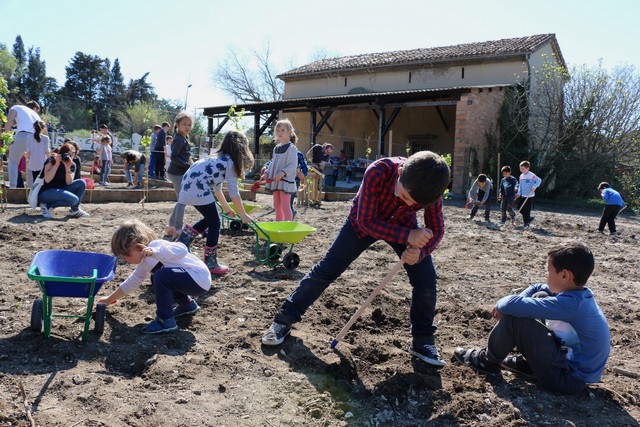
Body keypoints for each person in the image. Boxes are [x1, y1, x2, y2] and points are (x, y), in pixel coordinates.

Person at [261, 151, 451, 367]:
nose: (406, 202)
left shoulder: (430, 192)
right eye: (405, 196)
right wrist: (409, 236)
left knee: (426, 279)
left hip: (402, 224)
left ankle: (423, 340)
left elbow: (437, 230)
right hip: (363, 221)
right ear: (399, 173)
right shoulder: (378, 172)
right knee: (327, 269)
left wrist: (420, 252)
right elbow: (366, 223)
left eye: (414, 204)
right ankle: (284, 319)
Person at [453, 242, 610, 395]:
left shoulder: (571, 305)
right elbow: (538, 287)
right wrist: (519, 301)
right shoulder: (579, 295)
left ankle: (487, 361)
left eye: (549, 270)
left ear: (564, 275)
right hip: (569, 368)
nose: (546, 274)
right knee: (540, 296)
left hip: (567, 379)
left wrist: (502, 307)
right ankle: (530, 364)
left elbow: (510, 304)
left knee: (515, 318)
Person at [96, 219, 212, 334]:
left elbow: (182, 248)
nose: (125, 259)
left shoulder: (156, 245)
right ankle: (187, 305)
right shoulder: (144, 264)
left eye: (125, 254)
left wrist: (155, 251)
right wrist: (109, 299)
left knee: (161, 275)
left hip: (198, 277)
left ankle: (165, 320)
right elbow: (131, 283)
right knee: (157, 277)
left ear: (136, 245)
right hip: (191, 281)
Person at [176, 130, 254, 275]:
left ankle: (183, 243)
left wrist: (226, 208)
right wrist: (243, 215)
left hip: (187, 186)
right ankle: (210, 262)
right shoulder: (229, 163)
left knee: (210, 219)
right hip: (197, 188)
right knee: (215, 223)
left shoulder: (217, 159)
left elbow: (217, 189)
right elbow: (234, 192)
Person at [38, 142, 90, 219]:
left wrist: (67, 168)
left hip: (60, 190)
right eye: (67, 155)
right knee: (74, 200)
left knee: (81, 183)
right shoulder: (51, 160)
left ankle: (75, 210)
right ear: (61, 154)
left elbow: (69, 182)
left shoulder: (72, 165)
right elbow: (47, 180)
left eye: (72, 155)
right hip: (46, 192)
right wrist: (56, 165)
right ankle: (47, 206)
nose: (69, 157)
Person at [262, 119, 299, 221]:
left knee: (285, 206)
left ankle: (286, 228)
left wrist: (282, 173)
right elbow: (273, 163)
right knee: (277, 205)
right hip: (276, 181)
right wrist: (267, 173)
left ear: (290, 132)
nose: (280, 132)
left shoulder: (292, 148)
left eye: (283, 130)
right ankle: (278, 226)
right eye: (278, 130)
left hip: (285, 181)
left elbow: (292, 165)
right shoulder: (276, 148)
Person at [165, 112, 194, 240]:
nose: (187, 127)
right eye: (184, 124)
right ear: (177, 125)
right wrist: (187, 166)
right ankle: (177, 228)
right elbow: (174, 157)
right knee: (182, 201)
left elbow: (185, 156)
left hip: (180, 172)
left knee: (181, 200)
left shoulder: (184, 138)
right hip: (177, 173)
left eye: (189, 124)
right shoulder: (178, 139)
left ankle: (171, 226)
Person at [4, 100, 41, 188]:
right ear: (35, 108)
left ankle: (13, 187)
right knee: (31, 164)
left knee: (13, 161)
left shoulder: (16, 107)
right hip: (36, 137)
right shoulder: (36, 115)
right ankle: (31, 189)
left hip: (23, 135)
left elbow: (9, 120)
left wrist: (7, 137)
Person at [515, 160, 542, 227]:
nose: (521, 170)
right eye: (520, 168)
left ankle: (526, 222)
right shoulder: (521, 176)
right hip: (523, 195)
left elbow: (539, 180)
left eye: (523, 169)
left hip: (529, 196)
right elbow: (520, 185)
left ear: (528, 168)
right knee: (519, 208)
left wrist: (534, 186)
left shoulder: (531, 175)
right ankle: (528, 219)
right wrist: (519, 193)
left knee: (526, 210)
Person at [25, 120, 51, 185]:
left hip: (32, 163)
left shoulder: (29, 137)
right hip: (42, 163)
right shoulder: (45, 138)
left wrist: (26, 159)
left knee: (34, 180)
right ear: (43, 128)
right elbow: (47, 151)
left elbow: (28, 152)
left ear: (34, 127)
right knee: (42, 181)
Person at [290, 151, 308, 220]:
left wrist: (303, 174)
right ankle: (291, 213)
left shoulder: (298, 154)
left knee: (289, 201)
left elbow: (304, 168)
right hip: (282, 181)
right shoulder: (280, 151)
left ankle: (290, 217)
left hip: (295, 181)